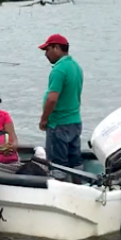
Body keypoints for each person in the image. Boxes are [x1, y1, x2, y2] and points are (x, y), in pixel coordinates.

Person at [38, 33, 84, 169]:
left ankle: (59, 187)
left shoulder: (58, 70)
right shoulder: (76, 66)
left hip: (58, 124)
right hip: (75, 123)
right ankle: (80, 186)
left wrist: (44, 119)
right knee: (75, 162)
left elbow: (52, 99)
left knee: (58, 166)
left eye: (47, 50)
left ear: (57, 48)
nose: (46, 54)